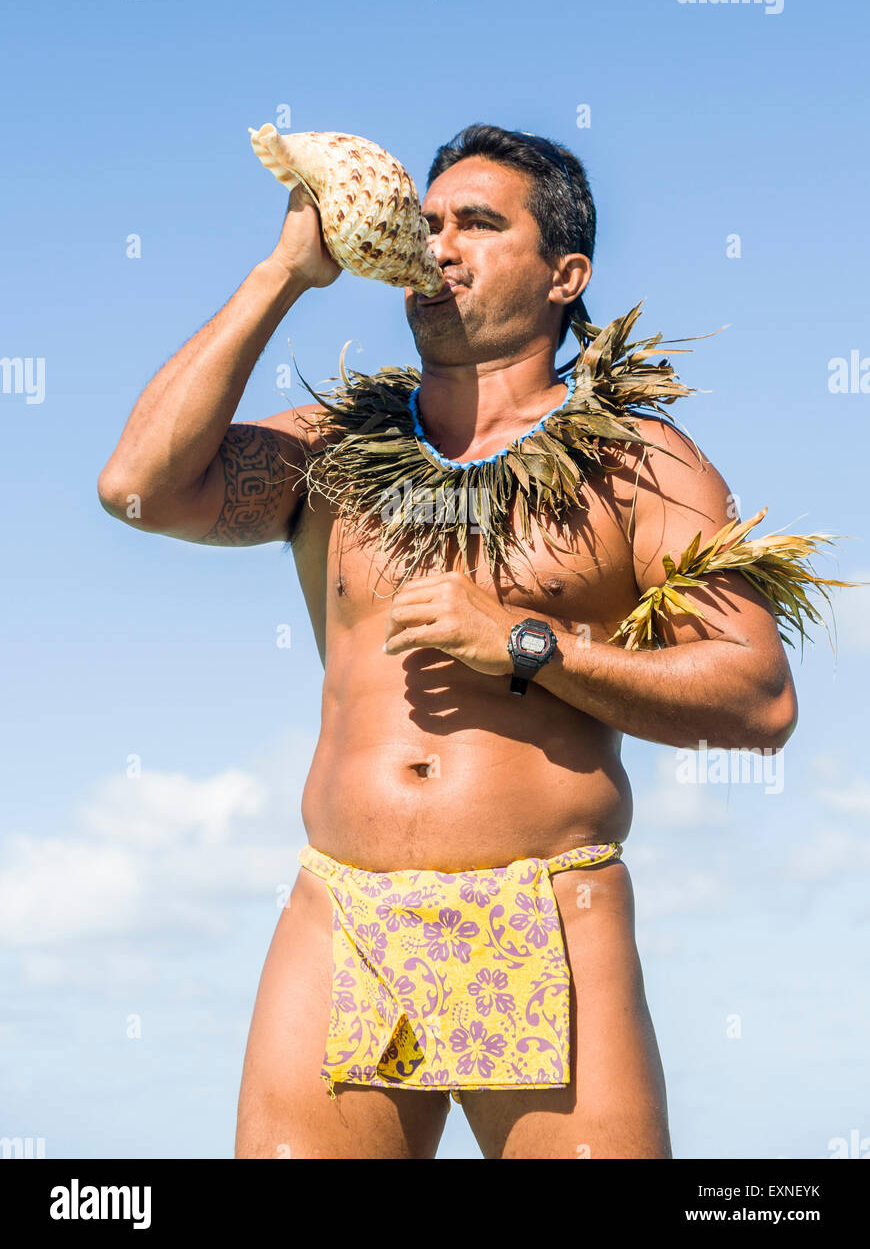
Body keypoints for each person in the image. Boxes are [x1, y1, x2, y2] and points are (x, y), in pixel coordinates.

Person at [98, 123, 802, 1160]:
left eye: (478, 222)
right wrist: (285, 273)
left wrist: (530, 642)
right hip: (343, 905)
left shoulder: (637, 462)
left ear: (567, 274)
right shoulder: (333, 450)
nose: (440, 247)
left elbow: (760, 698)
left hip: (545, 904)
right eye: (427, 223)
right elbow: (138, 488)